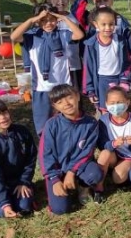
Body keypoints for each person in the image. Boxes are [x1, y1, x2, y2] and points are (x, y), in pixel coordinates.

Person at [11, 4, 84, 135]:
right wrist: (31, 20)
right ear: (38, 21)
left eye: (52, 19)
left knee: (68, 121)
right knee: (43, 125)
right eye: (43, 20)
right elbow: (14, 37)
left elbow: (79, 35)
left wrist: (64, 18)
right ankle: (47, 148)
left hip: (63, 86)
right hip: (42, 88)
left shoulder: (63, 35)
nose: (48, 23)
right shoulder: (32, 37)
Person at [40, 84, 104, 214]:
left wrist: (71, 171)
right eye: (60, 102)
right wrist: (54, 179)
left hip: (79, 168)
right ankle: (63, 185)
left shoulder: (90, 123)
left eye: (69, 97)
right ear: (55, 106)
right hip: (57, 170)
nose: (66, 103)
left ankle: (83, 186)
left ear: (78, 97)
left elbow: (87, 152)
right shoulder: (51, 125)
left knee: (95, 174)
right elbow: (45, 154)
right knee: (60, 209)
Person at [0, 98, 37, 218]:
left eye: (4, 113)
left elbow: (31, 158)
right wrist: (5, 204)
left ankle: (23, 193)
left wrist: (24, 181)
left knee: (24, 208)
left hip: (18, 180)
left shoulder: (22, 132)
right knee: (2, 211)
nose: (2, 118)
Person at [82, 7, 131, 114]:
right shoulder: (91, 44)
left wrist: (125, 79)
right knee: (105, 111)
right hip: (101, 82)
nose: (108, 27)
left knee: (121, 109)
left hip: (119, 80)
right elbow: (88, 68)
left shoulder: (120, 41)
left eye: (111, 24)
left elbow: (127, 63)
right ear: (96, 25)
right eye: (103, 24)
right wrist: (90, 90)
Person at [96, 86, 131, 195]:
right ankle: (98, 188)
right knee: (105, 153)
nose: (116, 106)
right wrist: (113, 144)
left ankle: (124, 171)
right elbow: (100, 144)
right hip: (112, 154)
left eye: (119, 102)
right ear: (106, 104)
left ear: (127, 102)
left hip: (128, 156)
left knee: (118, 178)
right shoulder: (103, 120)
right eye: (112, 103)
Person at [41, 0, 82, 89]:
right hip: (53, 67)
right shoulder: (45, 20)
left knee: (74, 95)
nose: (61, 1)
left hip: (72, 65)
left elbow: (79, 36)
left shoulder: (73, 17)